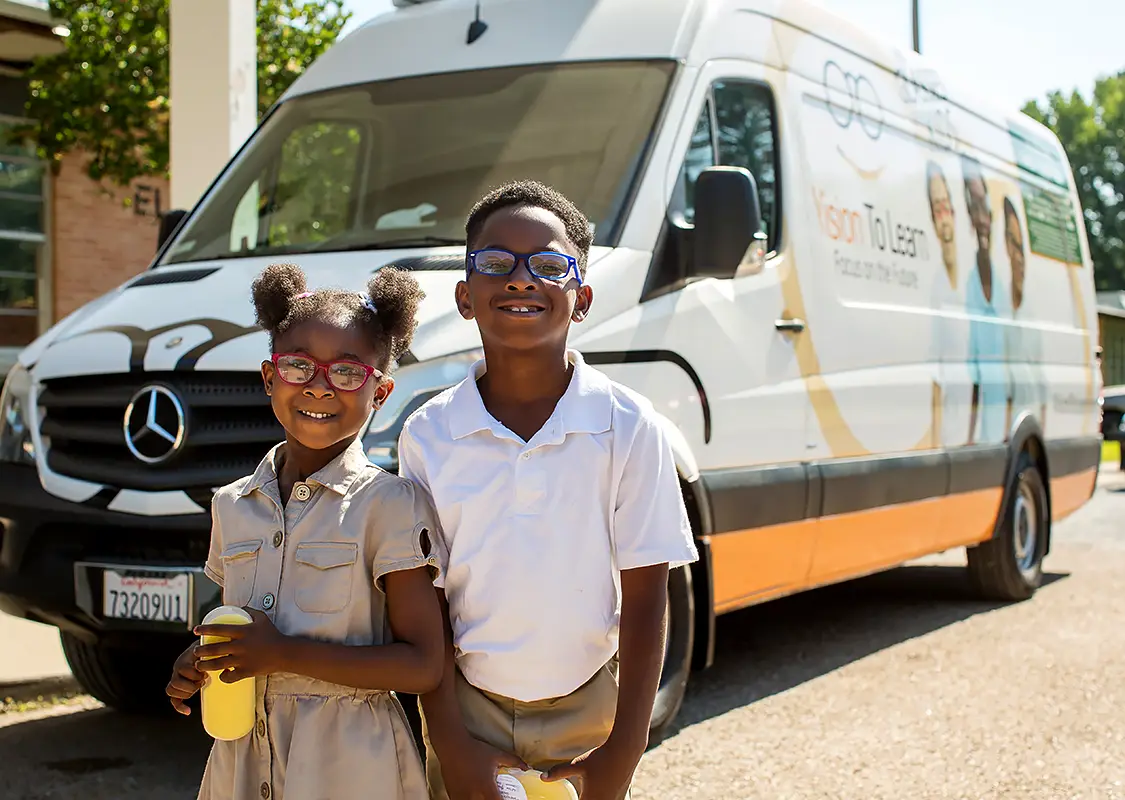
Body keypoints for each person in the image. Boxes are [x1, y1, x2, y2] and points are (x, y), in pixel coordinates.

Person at [399, 180, 699, 800]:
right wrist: (450, 742)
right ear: (464, 295)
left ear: (581, 297)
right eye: (495, 262)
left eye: (548, 264)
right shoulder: (429, 433)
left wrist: (624, 749)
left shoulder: (629, 425)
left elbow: (647, 601)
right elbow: (422, 606)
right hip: (465, 709)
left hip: (589, 708)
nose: (519, 278)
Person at [165, 263, 445, 800]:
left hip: (348, 770)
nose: (319, 387)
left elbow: (424, 664)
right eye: (299, 367)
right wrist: (201, 660)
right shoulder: (232, 506)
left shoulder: (390, 506)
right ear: (270, 378)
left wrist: (282, 654)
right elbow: (237, 627)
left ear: (380, 392)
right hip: (243, 761)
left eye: (346, 373)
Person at [962, 154, 1009, 444]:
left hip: (1002, 427)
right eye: (973, 207)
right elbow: (972, 374)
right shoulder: (967, 285)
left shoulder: (1004, 288)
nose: (980, 217)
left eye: (983, 206)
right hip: (978, 431)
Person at [925, 160, 966, 446]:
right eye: (936, 209)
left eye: (945, 206)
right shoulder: (934, 285)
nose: (943, 217)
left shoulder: (973, 281)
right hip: (950, 430)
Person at [1003, 197, 1047, 430]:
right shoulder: (996, 309)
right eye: (1012, 243)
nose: (1018, 256)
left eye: (1021, 246)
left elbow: (1042, 386)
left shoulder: (1032, 318)